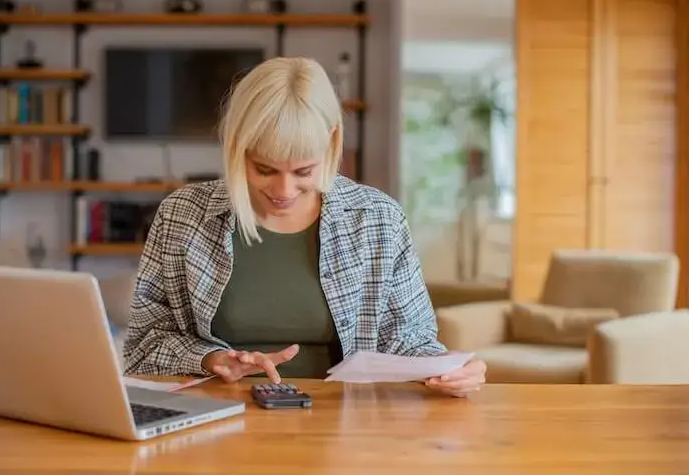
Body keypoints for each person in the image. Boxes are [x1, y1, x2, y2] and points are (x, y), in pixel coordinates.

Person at [123, 56, 487, 398]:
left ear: (331, 141)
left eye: (303, 172)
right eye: (264, 169)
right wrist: (210, 359)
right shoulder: (183, 215)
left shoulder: (378, 218)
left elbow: (409, 338)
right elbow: (144, 344)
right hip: (215, 417)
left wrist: (451, 368)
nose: (284, 191)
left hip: (346, 425)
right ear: (236, 146)